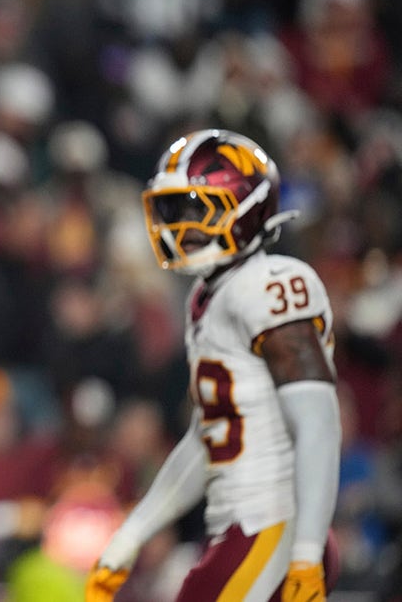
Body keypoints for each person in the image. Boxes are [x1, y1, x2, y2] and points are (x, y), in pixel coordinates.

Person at [85, 129, 341, 602]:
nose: (180, 225)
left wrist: (305, 550)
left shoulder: (271, 283)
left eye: (196, 209)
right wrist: (131, 536)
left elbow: (319, 425)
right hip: (244, 529)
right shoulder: (209, 296)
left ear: (245, 207)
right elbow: (209, 439)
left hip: (275, 526)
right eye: (175, 210)